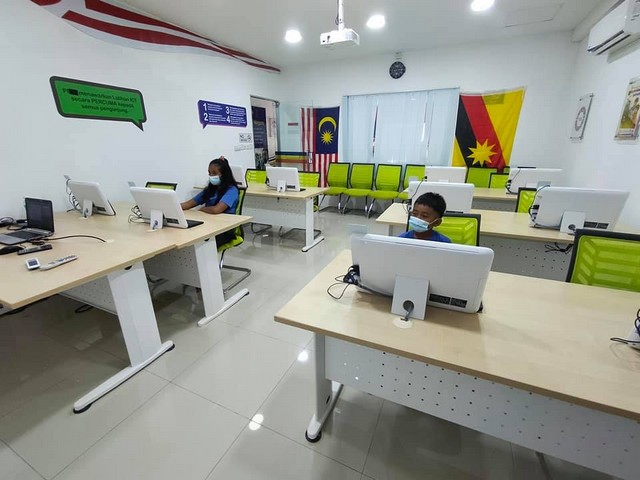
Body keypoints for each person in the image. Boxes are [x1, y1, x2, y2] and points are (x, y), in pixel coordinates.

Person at [181, 156, 239, 245]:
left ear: (224, 174)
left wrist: (202, 209)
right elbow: (189, 204)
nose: (211, 176)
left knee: (195, 240)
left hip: (224, 229)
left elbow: (216, 210)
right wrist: (172, 207)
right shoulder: (210, 189)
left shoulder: (232, 190)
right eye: (209, 173)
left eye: (214, 173)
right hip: (209, 224)